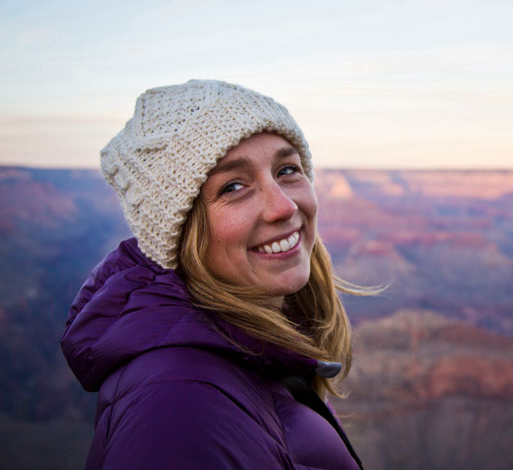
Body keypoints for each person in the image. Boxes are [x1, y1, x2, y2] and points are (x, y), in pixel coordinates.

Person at [60, 79, 366, 470]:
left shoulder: (258, 355)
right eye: (233, 186)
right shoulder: (178, 406)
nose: (283, 206)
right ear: (179, 231)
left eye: (287, 169)